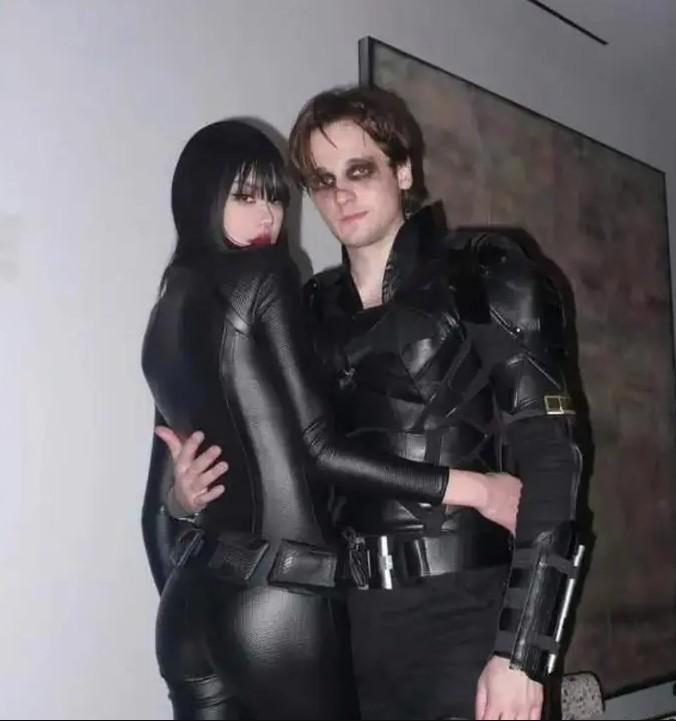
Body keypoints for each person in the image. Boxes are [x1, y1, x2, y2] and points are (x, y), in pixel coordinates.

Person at [154, 84, 584, 720]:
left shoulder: (484, 271)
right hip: (343, 627)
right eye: (322, 182)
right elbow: (263, 459)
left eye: (359, 171)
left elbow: (553, 460)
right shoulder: (302, 309)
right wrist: (180, 495)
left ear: (402, 170)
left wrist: (523, 655)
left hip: (468, 612)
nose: (341, 195)